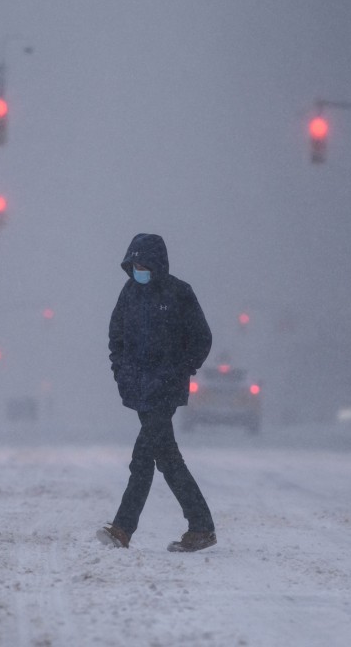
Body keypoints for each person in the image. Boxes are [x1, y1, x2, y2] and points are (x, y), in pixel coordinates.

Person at [98, 233, 216, 552]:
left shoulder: (179, 293)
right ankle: (201, 526)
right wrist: (121, 373)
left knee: (143, 458)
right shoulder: (130, 294)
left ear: (157, 264)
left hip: (166, 390)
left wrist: (180, 370)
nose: (138, 269)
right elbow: (116, 338)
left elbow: (201, 338)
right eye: (134, 264)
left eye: (143, 264)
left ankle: (123, 528)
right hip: (139, 389)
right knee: (165, 457)